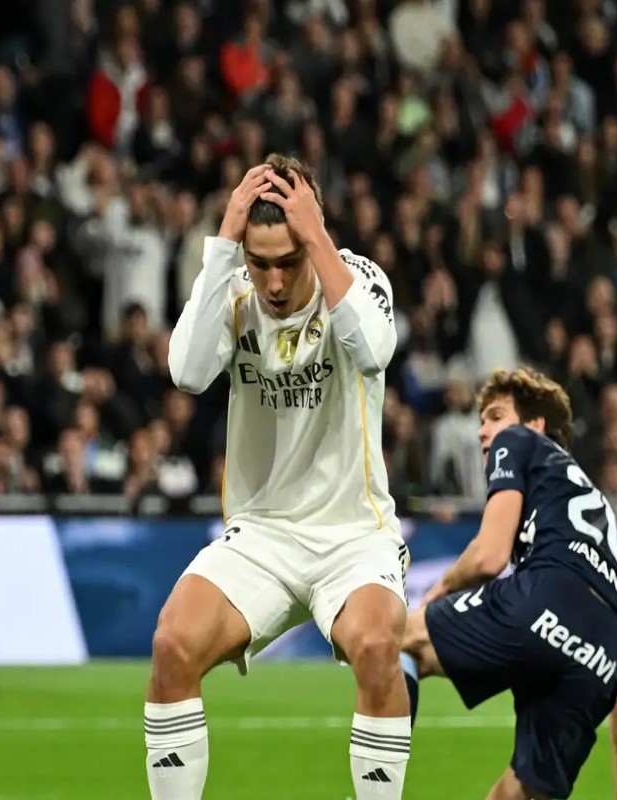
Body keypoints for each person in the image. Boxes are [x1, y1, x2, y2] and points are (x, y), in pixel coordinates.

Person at [148, 155, 412, 799]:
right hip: (262, 535)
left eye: (288, 262)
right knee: (173, 645)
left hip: (352, 535)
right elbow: (187, 373)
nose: (272, 281)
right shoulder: (234, 289)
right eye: (259, 261)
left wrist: (316, 240)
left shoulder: (358, 277)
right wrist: (222, 243)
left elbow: (375, 351)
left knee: (378, 649)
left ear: (313, 233)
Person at [399, 367, 617, 800]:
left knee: (394, 638)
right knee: (515, 794)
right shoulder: (592, 508)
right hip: (598, 659)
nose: (483, 431)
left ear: (535, 425)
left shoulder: (518, 441)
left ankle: (375, 789)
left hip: (546, 601)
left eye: (495, 416)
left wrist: (437, 593)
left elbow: (490, 555)